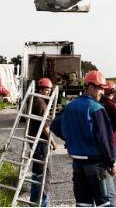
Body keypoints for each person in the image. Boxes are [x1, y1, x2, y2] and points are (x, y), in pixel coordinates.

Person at [51, 70, 116, 207]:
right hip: (97, 166)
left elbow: (55, 125)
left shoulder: (70, 106)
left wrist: (72, 138)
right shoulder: (96, 108)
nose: (102, 92)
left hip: (78, 165)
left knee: (83, 204)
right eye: (100, 88)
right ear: (91, 87)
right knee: (107, 204)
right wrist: (112, 163)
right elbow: (105, 140)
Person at [28, 78, 56, 207]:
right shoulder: (41, 103)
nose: (48, 93)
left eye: (49, 90)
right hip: (41, 143)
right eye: (46, 90)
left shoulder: (33, 100)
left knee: (36, 173)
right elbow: (45, 126)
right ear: (40, 90)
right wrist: (53, 142)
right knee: (45, 174)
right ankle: (42, 204)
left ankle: (33, 202)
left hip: (34, 142)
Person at [100, 81, 116, 206]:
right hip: (111, 144)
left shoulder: (100, 103)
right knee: (109, 176)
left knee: (104, 178)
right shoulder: (110, 105)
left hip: (101, 144)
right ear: (113, 91)